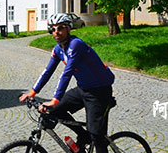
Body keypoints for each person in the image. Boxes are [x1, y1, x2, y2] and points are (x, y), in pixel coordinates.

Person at [19, 13, 115, 153]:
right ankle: (83, 135)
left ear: (69, 29)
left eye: (60, 28)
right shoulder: (58, 49)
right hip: (83, 88)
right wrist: (33, 92)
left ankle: (92, 138)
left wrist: (54, 99)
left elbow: (67, 73)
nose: (56, 32)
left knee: (97, 135)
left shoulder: (76, 45)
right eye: (53, 29)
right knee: (55, 111)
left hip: (99, 91)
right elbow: (47, 71)